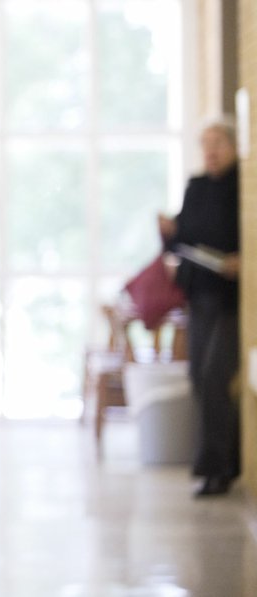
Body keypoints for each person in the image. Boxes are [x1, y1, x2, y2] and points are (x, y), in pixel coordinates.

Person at [159, 117, 240, 497]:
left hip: (231, 299)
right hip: (201, 294)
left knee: (214, 378)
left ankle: (220, 468)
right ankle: (221, 462)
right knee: (198, 379)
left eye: (218, 143)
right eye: (205, 144)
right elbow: (182, 241)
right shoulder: (196, 187)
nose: (210, 151)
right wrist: (169, 234)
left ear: (233, 145)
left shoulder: (243, 185)